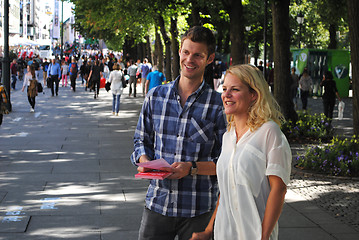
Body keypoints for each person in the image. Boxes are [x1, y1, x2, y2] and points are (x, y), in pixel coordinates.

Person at [130, 26, 227, 240]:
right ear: (180, 51)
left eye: (198, 55)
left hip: (198, 210)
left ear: (209, 58)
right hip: (157, 203)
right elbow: (140, 140)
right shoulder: (155, 97)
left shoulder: (218, 105)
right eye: (186, 52)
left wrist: (191, 169)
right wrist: (145, 160)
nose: (189, 60)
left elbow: (227, 163)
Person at [191, 64, 291, 240]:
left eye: (235, 89)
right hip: (224, 234)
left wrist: (264, 236)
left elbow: (279, 189)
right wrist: (208, 231)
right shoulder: (228, 136)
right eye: (224, 89)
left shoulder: (269, 132)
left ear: (254, 95)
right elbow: (227, 189)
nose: (226, 95)